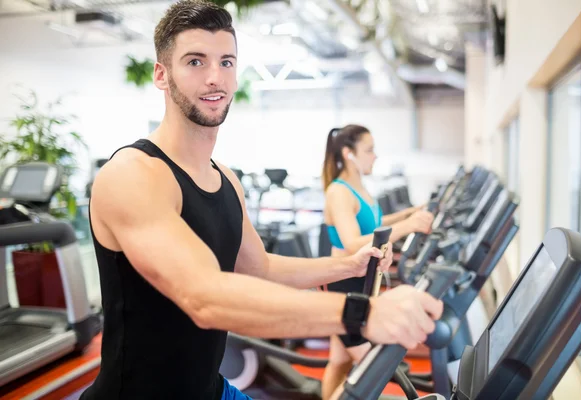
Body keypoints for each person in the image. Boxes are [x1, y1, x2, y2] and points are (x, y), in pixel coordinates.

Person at [81, 2, 443, 399]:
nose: (215, 77)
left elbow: (260, 267)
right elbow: (204, 296)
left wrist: (345, 266)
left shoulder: (226, 179)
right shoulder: (134, 174)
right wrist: (363, 315)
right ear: (161, 75)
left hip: (211, 390)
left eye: (226, 62)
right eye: (195, 62)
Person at [320, 124, 435, 400]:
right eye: (369, 150)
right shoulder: (339, 192)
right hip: (343, 284)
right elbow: (352, 242)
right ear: (349, 153)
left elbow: (375, 225)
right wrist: (408, 226)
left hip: (361, 281)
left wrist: (409, 214)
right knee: (368, 366)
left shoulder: (359, 187)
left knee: (339, 361)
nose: (375, 156)